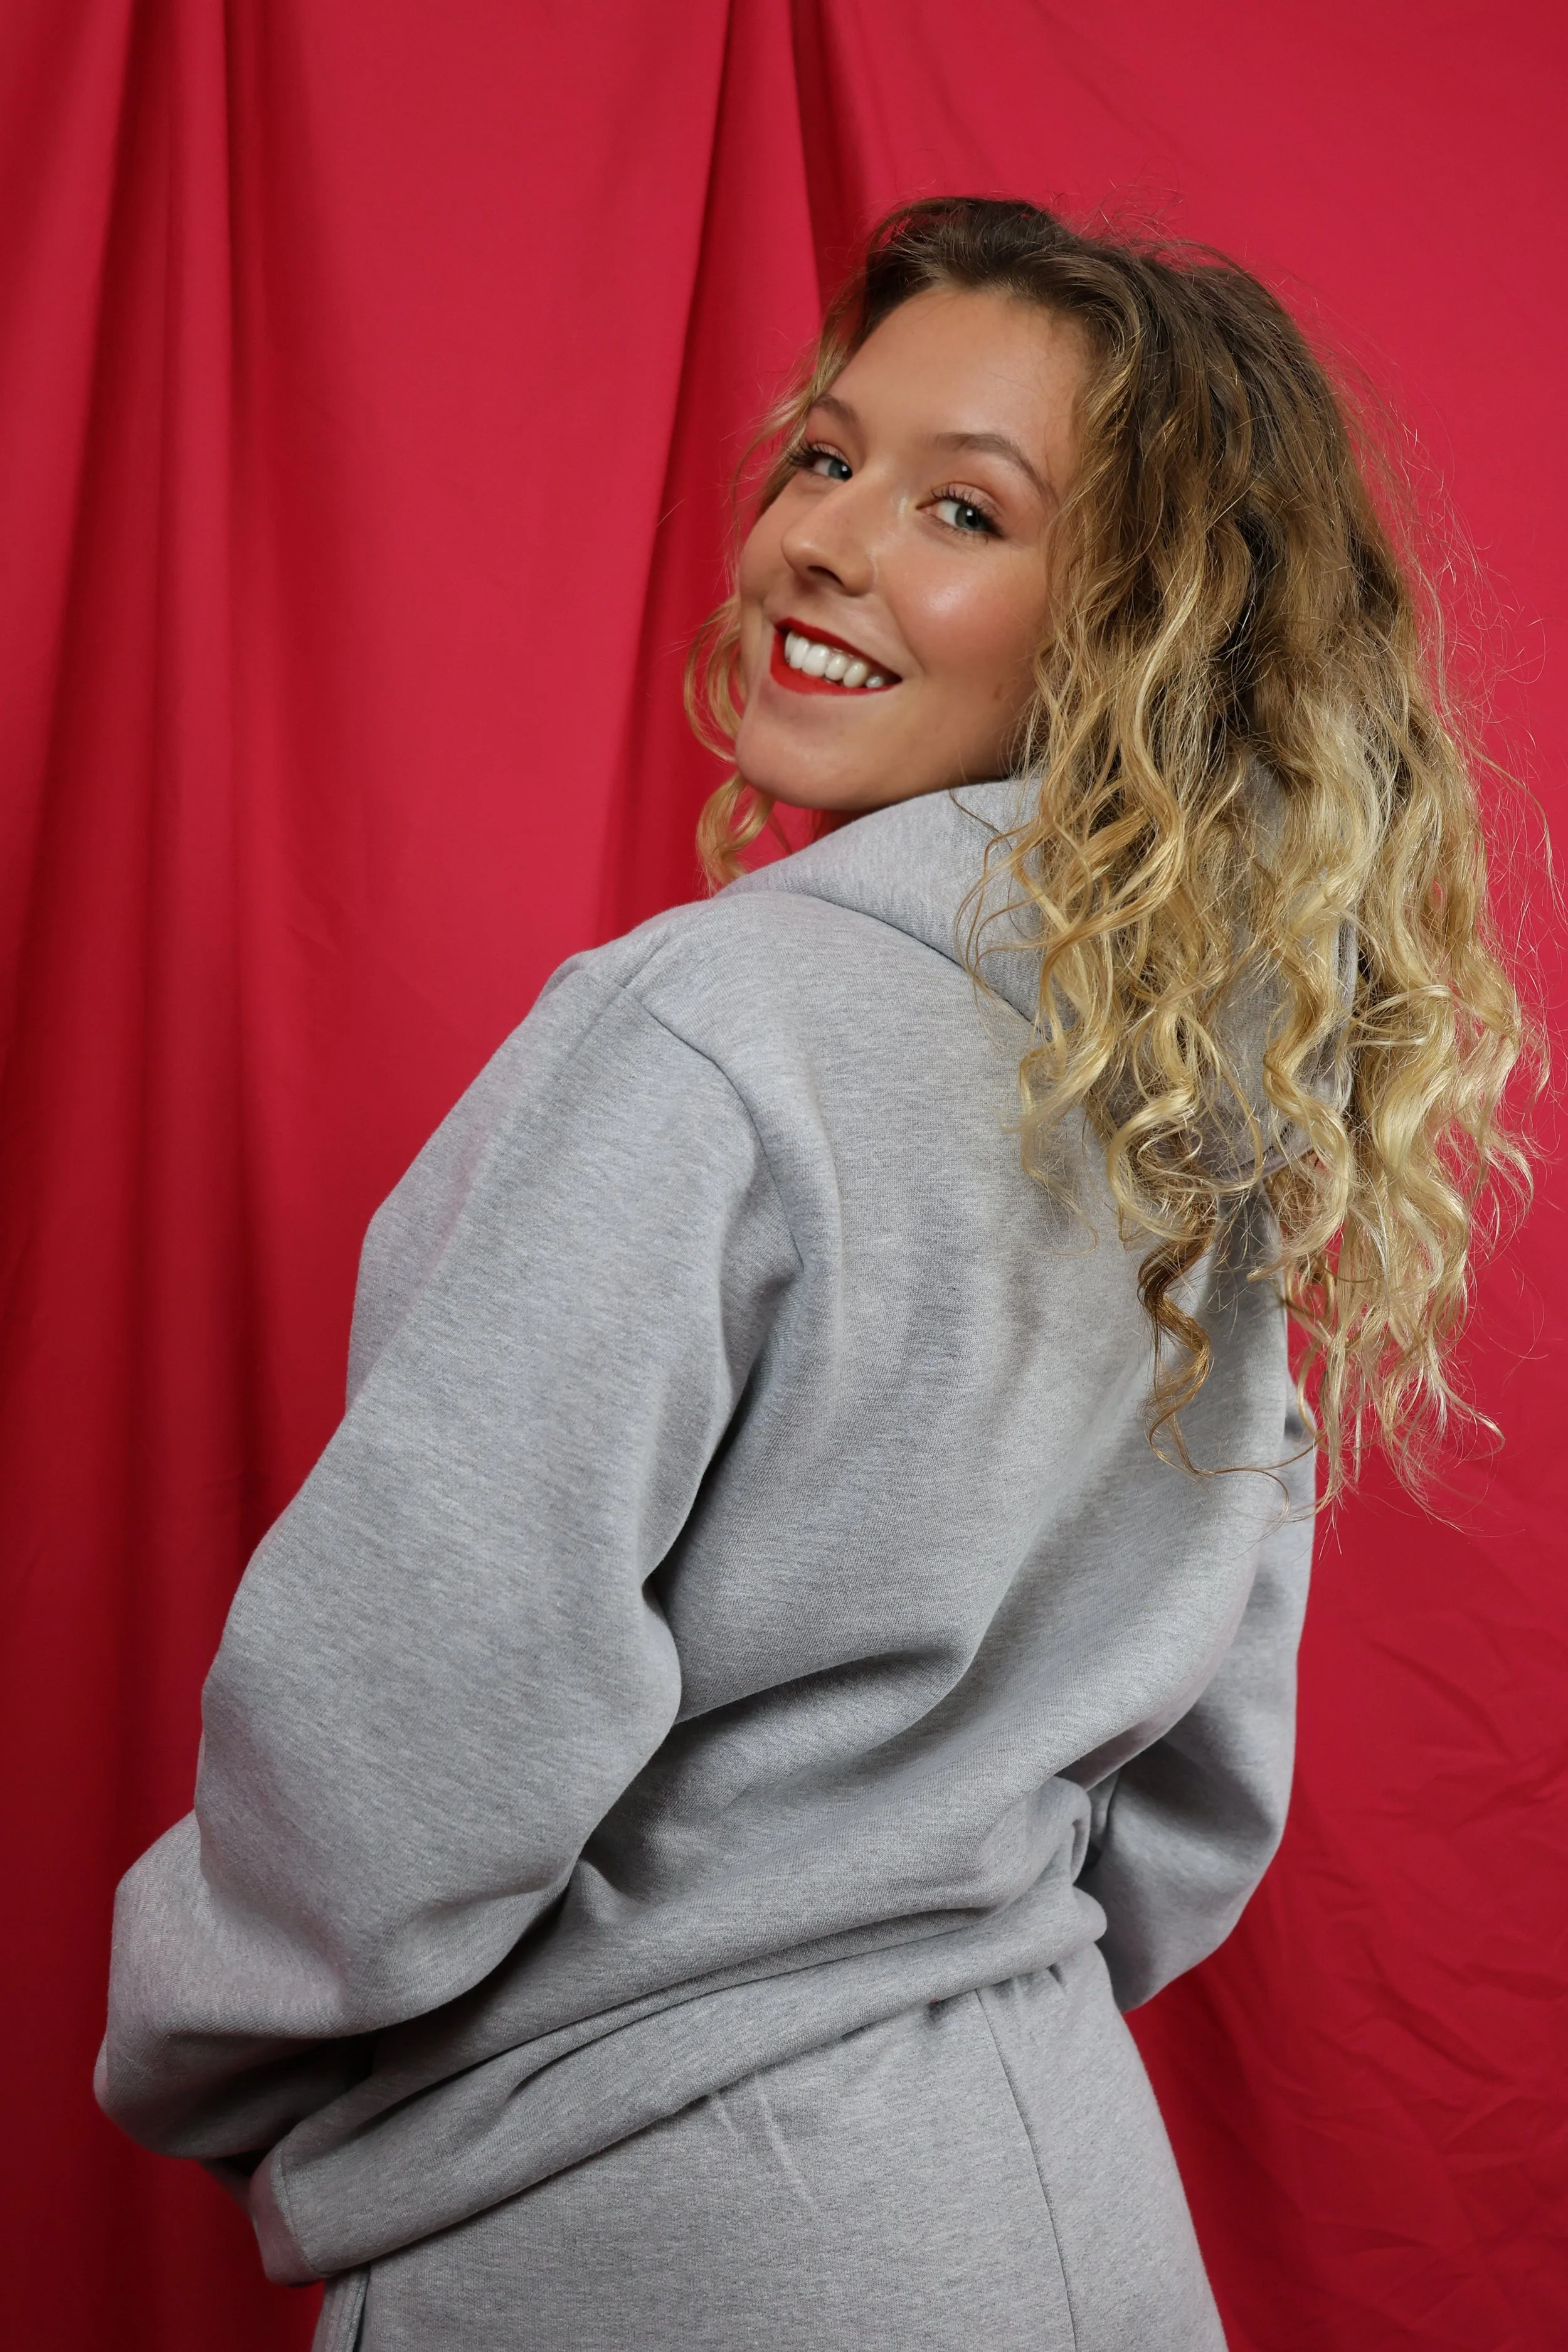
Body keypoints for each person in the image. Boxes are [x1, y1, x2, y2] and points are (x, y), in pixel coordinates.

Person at [97, 198, 1527, 2352]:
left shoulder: (708, 1029)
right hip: (1057, 2208)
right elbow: (1199, 1790)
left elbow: (413, 1728)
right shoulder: (1202, 1115)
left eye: (962, 507)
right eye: (824, 458)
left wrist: (207, 2038)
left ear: (1122, 630)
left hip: (670, 2231)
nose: (826, 541)